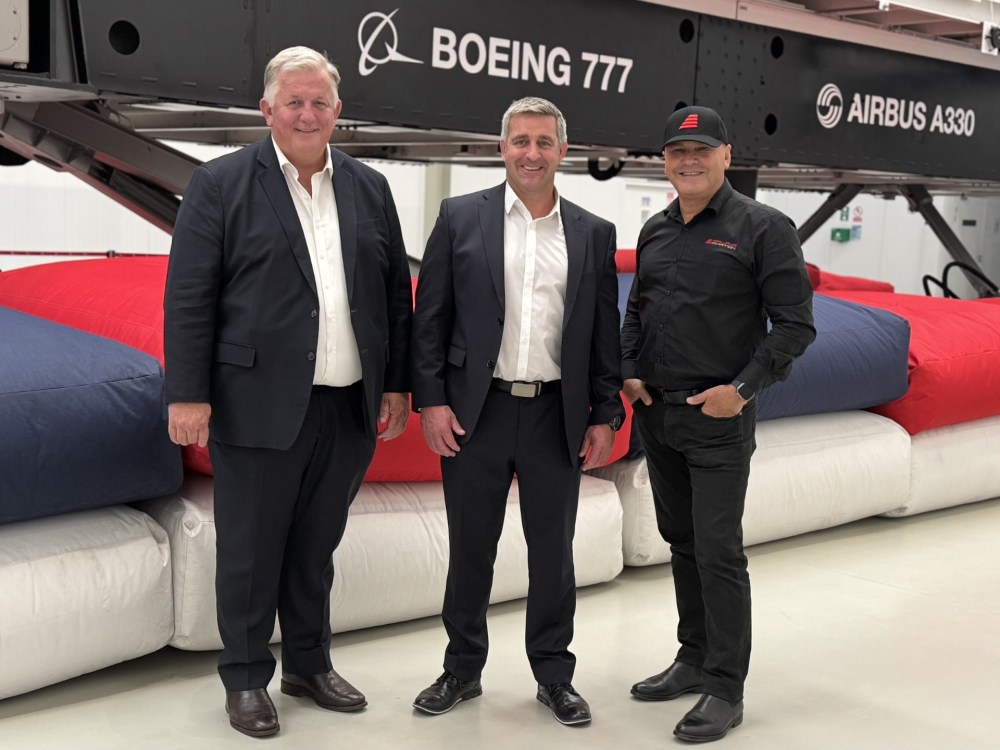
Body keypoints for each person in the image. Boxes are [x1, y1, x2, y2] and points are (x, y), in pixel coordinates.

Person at [163, 46, 412, 738]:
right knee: (251, 550)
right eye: (293, 102)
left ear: (338, 111)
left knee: (316, 545)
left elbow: (394, 295)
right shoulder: (220, 184)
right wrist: (187, 394)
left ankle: (308, 664)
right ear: (266, 110)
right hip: (257, 402)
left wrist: (397, 383)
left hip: (348, 402)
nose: (307, 114)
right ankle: (245, 678)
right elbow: (189, 296)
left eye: (319, 102)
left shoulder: (369, 188)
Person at [410, 96, 624, 726]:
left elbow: (603, 333)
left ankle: (554, 676)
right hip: (476, 413)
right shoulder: (459, 217)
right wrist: (431, 401)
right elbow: (430, 319)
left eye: (544, 142)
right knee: (470, 547)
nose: (532, 153)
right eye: (521, 141)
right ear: (501, 148)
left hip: (556, 414)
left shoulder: (593, 232)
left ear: (563, 151)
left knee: (553, 551)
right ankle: (461, 669)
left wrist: (605, 412)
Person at [621, 106, 815, 743]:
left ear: (726, 156)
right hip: (658, 414)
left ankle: (726, 689)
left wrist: (742, 390)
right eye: (678, 152)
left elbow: (795, 326)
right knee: (680, 540)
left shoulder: (764, 228)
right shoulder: (655, 230)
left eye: (702, 151)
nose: (689, 162)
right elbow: (636, 313)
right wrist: (629, 371)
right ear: (665, 161)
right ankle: (693, 657)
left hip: (717, 419)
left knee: (718, 551)